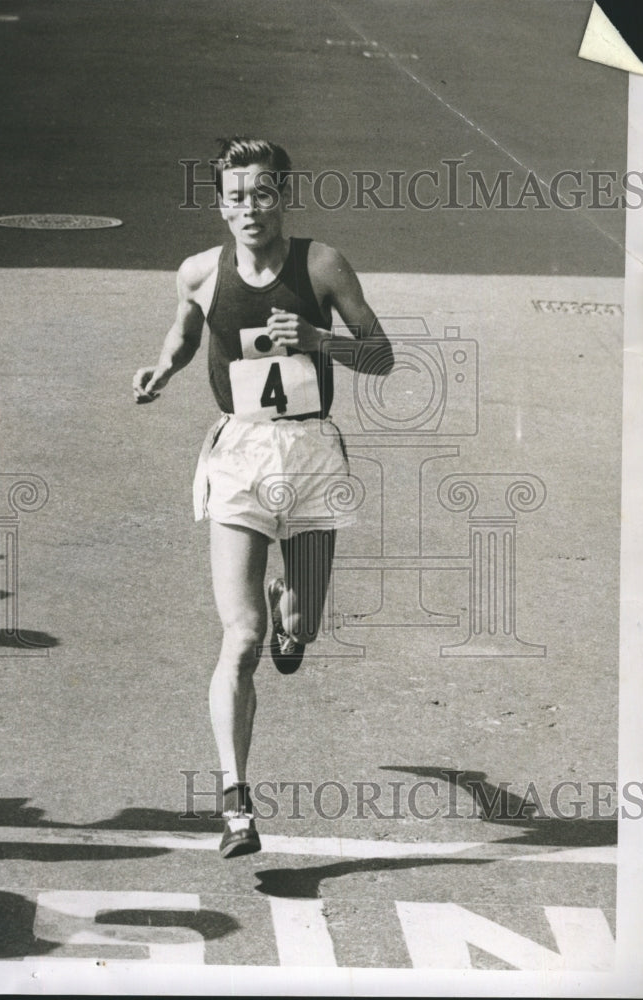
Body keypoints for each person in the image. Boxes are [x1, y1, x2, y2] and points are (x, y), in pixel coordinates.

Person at [133, 137, 393, 858]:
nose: (250, 208)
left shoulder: (321, 264)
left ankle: (292, 609)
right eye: (236, 197)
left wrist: (317, 336)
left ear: (284, 196)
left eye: (264, 194)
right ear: (220, 204)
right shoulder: (197, 273)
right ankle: (236, 803)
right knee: (240, 638)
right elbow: (184, 339)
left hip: (310, 455)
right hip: (240, 456)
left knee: (301, 627)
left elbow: (382, 355)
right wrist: (158, 372)